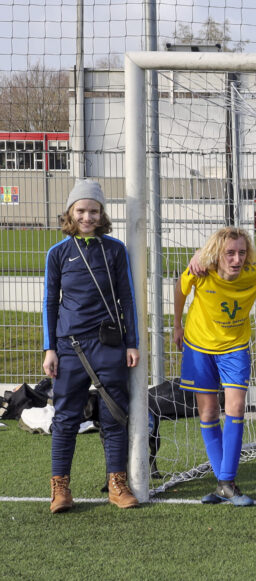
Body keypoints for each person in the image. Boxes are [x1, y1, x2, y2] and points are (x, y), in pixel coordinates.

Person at [43, 179, 140, 513]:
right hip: (69, 348)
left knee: (114, 417)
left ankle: (117, 483)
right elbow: (49, 304)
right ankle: (60, 488)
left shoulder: (114, 250)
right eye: (81, 210)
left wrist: (132, 343)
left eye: (93, 211)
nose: (87, 216)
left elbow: (127, 299)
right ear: (71, 212)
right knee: (66, 417)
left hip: (108, 345)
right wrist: (49, 348)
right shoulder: (57, 253)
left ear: (102, 214)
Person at [173, 227, 256, 505]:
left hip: (235, 349)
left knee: (235, 408)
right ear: (216, 255)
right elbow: (180, 290)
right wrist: (176, 325)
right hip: (198, 348)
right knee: (207, 411)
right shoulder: (200, 271)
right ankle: (223, 483)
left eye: (241, 252)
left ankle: (227, 482)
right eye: (229, 253)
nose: (236, 259)